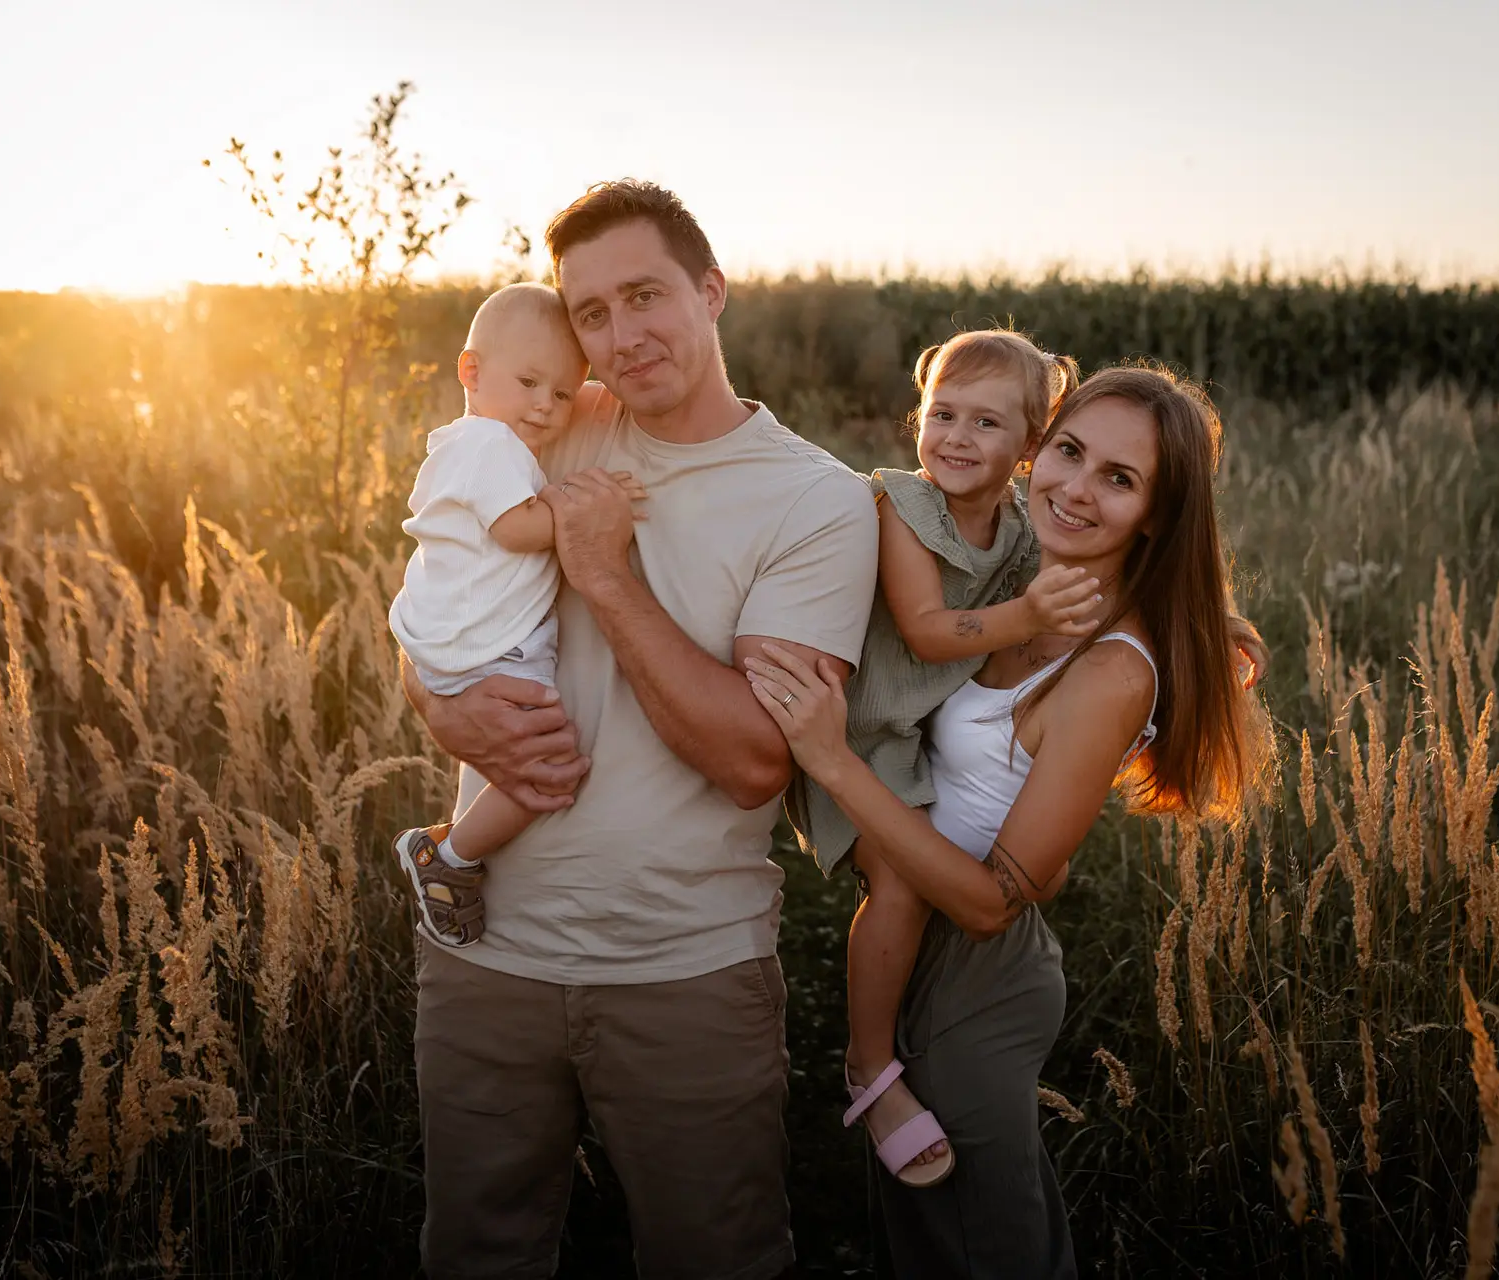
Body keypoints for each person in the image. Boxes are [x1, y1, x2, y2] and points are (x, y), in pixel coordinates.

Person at [399, 181, 879, 1280]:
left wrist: (604, 573)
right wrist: (434, 699)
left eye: (647, 296)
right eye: (594, 313)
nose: (621, 336)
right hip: (483, 955)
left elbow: (758, 758)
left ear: (712, 291)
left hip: (682, 970)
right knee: (474, 1255)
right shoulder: (547, 425)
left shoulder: (816, 502)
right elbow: (438, 597)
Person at [749, 362, 1271, 1278]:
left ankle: (869, 1080)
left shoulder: (1112, 671)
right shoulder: (1029, 572)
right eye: (1069, 452)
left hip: (978, 978)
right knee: (926, 1247)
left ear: (1157, 512)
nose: (1074, 487)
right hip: (913, 953)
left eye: (1120, 479)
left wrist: (830, 758)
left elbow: (994, 902)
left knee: (989, 1254)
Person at [791, 328, 1096, 1187]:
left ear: (1031, 446)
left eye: (987, 424)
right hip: (866, 730)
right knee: (901, 885)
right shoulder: (901, 506)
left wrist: (1211, 622)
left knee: (1023, 866)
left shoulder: (1022, 529)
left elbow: (1101, 584)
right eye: (943, 414)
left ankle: (940, 1007)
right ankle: (870, 1068)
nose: (957, 438)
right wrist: (1030, 616)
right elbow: (925, 633)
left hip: (937, 729)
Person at [387, 282, 647, 947]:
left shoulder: (464, 444)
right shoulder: (490, 446)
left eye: (563, 393)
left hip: (460, 647)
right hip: (488, 654)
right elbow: (517, 530)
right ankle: (446, 857)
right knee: (550, 773)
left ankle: (454, 851)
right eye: (530, 382)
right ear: (471, 372)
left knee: (537, 770)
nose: (545, 405)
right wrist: (585, 504)